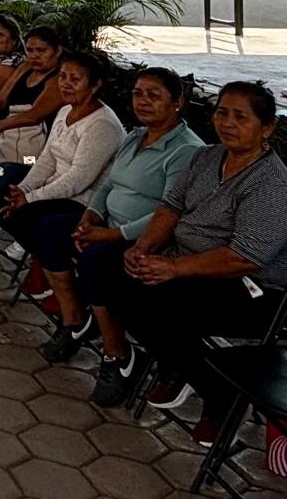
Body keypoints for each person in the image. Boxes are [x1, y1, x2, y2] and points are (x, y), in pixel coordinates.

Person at [103, 81, 287, 446]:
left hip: (253, 289)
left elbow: (245, 257)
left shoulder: (271, 184)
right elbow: (171, 206)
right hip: (185, 262)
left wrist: (172, 269)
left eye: (241, 117)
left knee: (160, 302)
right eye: (222, 113)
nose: (227, 123)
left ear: (266, 127)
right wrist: (143, 247)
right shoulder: (206, 157)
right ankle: (179, 364)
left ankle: (217, 392)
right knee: (114, 274)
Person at [28, 68, 204, 407]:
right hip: (107, 223)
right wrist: (89, 218)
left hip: (147, 239)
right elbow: (109, 184)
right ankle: (74, 320)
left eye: (154, 95)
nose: (143, 101)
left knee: (95, 262)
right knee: (49, 229)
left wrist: (109, 235)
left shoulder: (186, 151)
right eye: (138, 93)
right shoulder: (135, 136)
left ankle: (118, 354)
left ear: (177, 102)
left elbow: (170, 213)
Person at [0, 51, 126, 299]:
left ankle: (56, 273)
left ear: (95, 85)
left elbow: (79, 179)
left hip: (83, 202)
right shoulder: (65, 111)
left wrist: (30, 198)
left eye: (75, 79)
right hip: (55, 188)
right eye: (62, 76)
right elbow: (47, 158)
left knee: (29, 216)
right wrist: (23, 189)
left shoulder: (102, 125)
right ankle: (43, 260)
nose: (66, 84)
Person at [0, 25, 65, 235]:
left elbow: (34, 115)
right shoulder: (25, 67)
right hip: (7, 145)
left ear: (57, 51)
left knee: (10, 173)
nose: (35, 55)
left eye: (42, 50)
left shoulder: (57, 79)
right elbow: (0, 100)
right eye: (30, 50)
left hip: (35, 156)